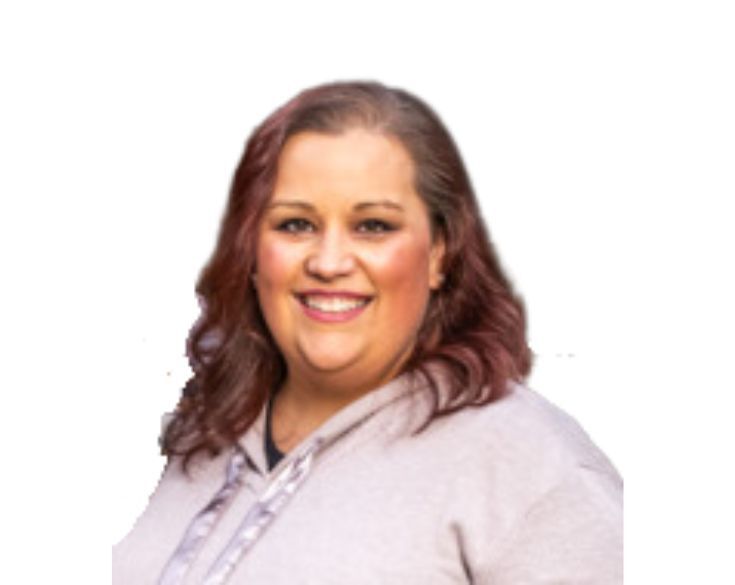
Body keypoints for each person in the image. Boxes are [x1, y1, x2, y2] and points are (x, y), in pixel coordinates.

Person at [113, 81, 623, 584]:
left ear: (439, 254)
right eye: (295, 224)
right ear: (251, 249)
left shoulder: (532, 469)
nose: (329, 262)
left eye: (374, 226)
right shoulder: (206, 435)